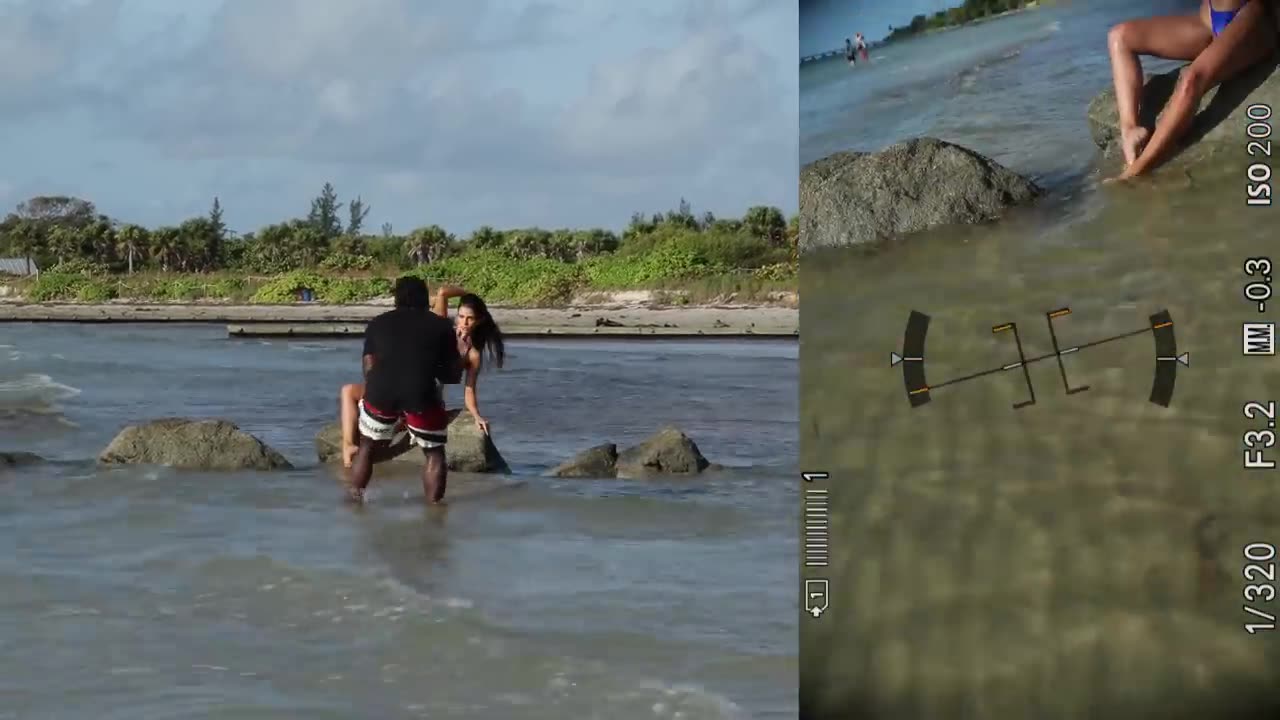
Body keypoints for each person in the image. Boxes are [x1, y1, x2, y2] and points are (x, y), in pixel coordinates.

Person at [1104, 0, 1280, 181]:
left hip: (1252, 18)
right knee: (1119, 36)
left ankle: (1137, 172)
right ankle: (1130, 129)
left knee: (1191, 79)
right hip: (1209, 20)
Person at [337, 283, 504, 466]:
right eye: (461, 316)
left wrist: (476, 415)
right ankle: (349, 446)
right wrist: (471, 294)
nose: (463, 323)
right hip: (400, 384)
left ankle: (368, 453)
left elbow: (470, 389)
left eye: (470, 319)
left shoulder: (473, 353)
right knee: (348, 390)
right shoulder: (441, 326)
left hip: (425, 398)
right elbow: (443, 292)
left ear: (478, 321)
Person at [346, 276, 462, 504]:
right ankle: (434, 510)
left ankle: (354, 501)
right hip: (420, 393)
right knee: (434, 453)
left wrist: (379, 388)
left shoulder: (378, 323)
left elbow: (369, 363)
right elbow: (451, 375)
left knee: (367, 447)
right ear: (423, 299)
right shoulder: (440, 326)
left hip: (381, 391)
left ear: (396, 298)